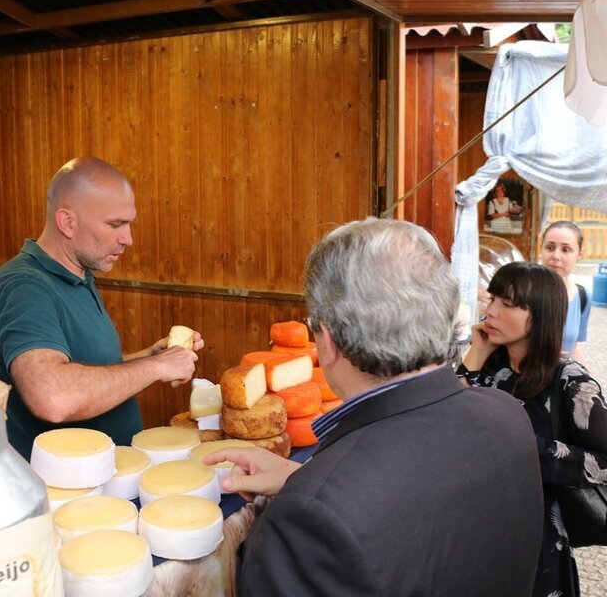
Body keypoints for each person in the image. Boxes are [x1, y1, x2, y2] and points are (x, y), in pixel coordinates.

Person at [205, 218, 544, 596]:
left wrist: (315, 492)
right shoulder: (507, 415)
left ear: (329, 341)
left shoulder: (310, 517)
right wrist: (303, 479)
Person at [0, 157, 203, 461]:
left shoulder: (76, 275)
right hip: (68, 486)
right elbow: (53, 397)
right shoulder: (24, 288)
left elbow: (86, 370)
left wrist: (149, 357)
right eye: (115, 225)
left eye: (128, 224)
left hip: (110, 475)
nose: (128, 239)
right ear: (67, 222)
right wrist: (157, 367)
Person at [458, 261, 607, 597]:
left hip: (536, 541)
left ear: (540, 314)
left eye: (507, 304)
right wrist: (476, 353)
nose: (490, 311)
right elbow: (448, 421)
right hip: (474, 529)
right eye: (492, 299)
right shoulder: (488, 367)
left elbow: (603, 462)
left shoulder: (571, 382)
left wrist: (529, 448)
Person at [541, 220, 591, 361]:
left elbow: (572, 348)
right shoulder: (522, 291)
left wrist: (584, 371)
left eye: (565, 250)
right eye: (550, 248)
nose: (556, 256)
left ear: (579, 254)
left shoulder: (582, 296)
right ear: (541, 248)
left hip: (562, 373)